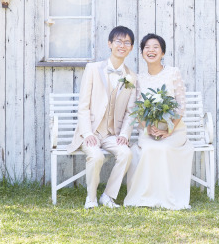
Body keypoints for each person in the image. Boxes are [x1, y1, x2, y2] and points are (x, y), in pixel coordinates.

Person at [65, 26, 138, 208]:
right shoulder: (93, 69)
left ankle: (108, 196)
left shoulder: (130, 77)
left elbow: (131, 110)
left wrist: (124, 134)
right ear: (110, 44)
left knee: (126, 153)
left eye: (127, 42)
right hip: (90, 131)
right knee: (96, 156)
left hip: (112, 134)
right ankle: (90, 199)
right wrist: (88, 133)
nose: (122, 45)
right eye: (119, 41)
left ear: (131, 47)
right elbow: (83, 106)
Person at [124, 33, 194, 210]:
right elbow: (139, 109)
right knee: (148, 148)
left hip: (174, 130)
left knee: (163, 148)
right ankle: (145, 196)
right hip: (149, 131)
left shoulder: (172, 73)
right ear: (142, 53)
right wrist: (149, 128)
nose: (151, 50)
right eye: (147, 47)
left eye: (156, 47)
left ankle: (167, 197)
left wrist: (168, 130)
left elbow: (180, 104)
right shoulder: (139, 78)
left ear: (162, 53)